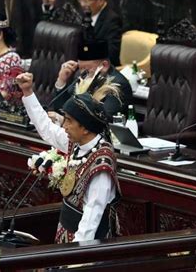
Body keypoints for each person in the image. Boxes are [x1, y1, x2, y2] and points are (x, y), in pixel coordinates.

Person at [17, 72, 121, 243]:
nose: (64, 126)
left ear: (85, 128)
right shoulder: (77, 142)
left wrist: (74, 256)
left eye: (69, 121)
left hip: (86, 247)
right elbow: (46, 129)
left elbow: (92, 216)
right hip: (66, 236)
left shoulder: (101, 163)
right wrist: (28, 92)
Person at [49, 39, 132, 124]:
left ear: (104, 65)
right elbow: (61, 108)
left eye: (86, 69)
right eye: (81, 68)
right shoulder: (83, 76)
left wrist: (65, 120)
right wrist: (61, 81)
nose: (82, 73)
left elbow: (103, 120)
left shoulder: (118, 85)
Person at [77, 0, 122, 66]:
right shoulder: (81, 16)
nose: (82, 4)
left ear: (101, 0)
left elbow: (112, 54)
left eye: (86, 0)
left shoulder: (112, 20)